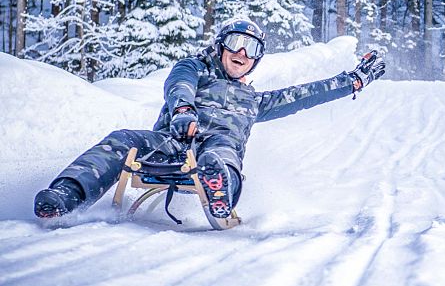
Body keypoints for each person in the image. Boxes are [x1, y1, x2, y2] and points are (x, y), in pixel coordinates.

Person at [34, 18, 385, 220]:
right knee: (123, 137)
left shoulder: (254, 100)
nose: (242, 54)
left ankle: (220, 191)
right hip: (173, 142)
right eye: (235, 43)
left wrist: (352, 81)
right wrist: (183, 111)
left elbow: (305, 95)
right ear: (220, 47)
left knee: (222, 153)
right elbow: (178, 84)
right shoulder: (196, 68)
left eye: (252, 50)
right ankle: (66, 194)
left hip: (215, 151)